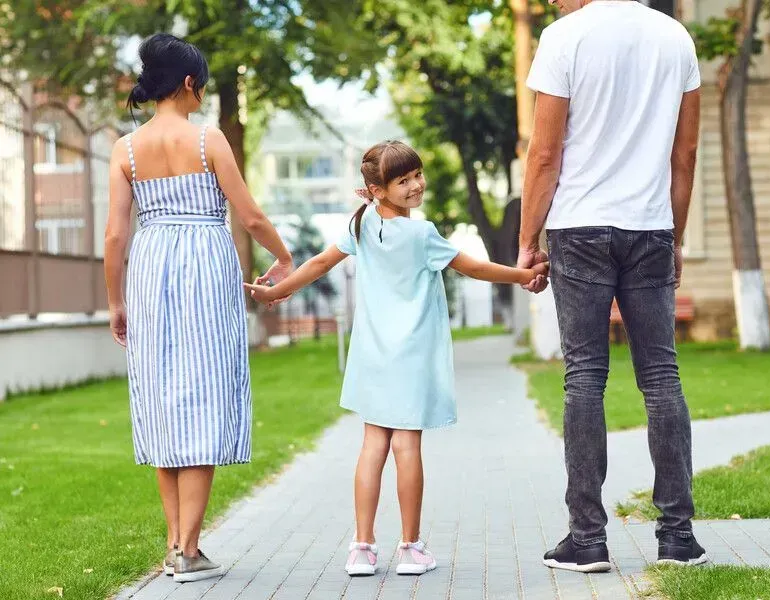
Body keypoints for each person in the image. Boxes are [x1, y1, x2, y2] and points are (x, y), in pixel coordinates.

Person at [244, 141, 548, 577]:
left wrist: (277, 291)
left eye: (417, 175)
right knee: (406, 447)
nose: (416, 185)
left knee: (372, 446)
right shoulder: (421, 235)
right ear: (378, 189)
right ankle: (409, 548)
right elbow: (474, 268)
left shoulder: (363, 224)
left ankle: (361, 548)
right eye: (403, 180)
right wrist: (524, 275)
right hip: (411, 357)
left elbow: (321, 263)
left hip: (372, 356)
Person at [516, 0, 706, 571]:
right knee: (661, 376)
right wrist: (675, 236)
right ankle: (677, 537)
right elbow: (685, 153)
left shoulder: (564, 37)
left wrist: (527, 241)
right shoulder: (676, 37)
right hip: (650, 227)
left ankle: (587, 539)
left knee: (584, 377)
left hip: (579, 228)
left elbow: (544, 153)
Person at [103, 33, 292, 583]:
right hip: (205, 265)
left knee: (163, 399)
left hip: (149, 267)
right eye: (202, 85)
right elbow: (249, 216)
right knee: (204, 394)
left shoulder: (125, 149)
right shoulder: (209, 139)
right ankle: (188, 548)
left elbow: (115, 236)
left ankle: (175, 545)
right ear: (189, 84)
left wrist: (115, 301)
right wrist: (284, 258)